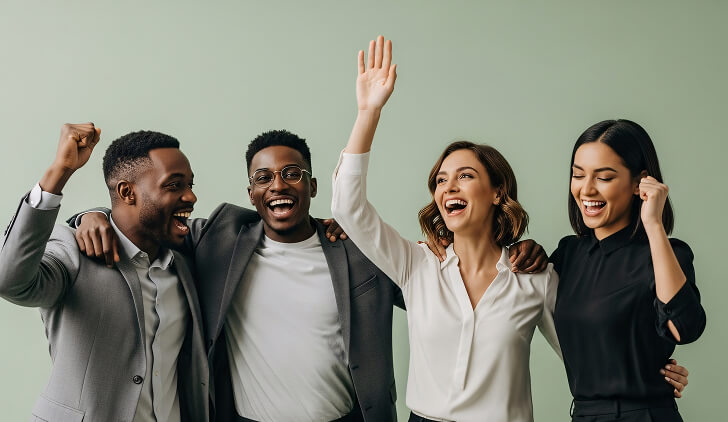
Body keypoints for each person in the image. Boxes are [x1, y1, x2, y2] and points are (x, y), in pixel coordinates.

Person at [72, 129, 547, 422]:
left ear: (314, 186)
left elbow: (451, 285)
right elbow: (145, 219)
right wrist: (91, 215)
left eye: (293, 174)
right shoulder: (219, 236)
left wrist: (519, 253)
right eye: (264, 178)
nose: (278, 185)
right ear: (251, 193)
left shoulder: (358, 250)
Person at [331, 36, 690, 422]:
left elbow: (589, 349)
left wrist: (652, 377)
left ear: (497, 191)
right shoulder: (416, 263)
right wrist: (368, 111)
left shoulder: (534, 278)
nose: (448, 187)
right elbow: (348, 208)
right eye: (440, 180)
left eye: (465, 176)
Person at [0, 124, 209, 422]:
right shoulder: (73, 252)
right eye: (174, 185)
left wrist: (92, 213)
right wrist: (59, 172)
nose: (191, 197)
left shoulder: (185, 261)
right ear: (127, 191)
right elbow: (9, 280)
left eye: (190, 184)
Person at [550, 119, 706, 421]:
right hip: (583, 415)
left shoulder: (669, 254)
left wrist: (654, 224)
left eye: (604, 177)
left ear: (640, 182)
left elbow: (682, 329)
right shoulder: (569, 254)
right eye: (578, 175)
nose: (586, 189)